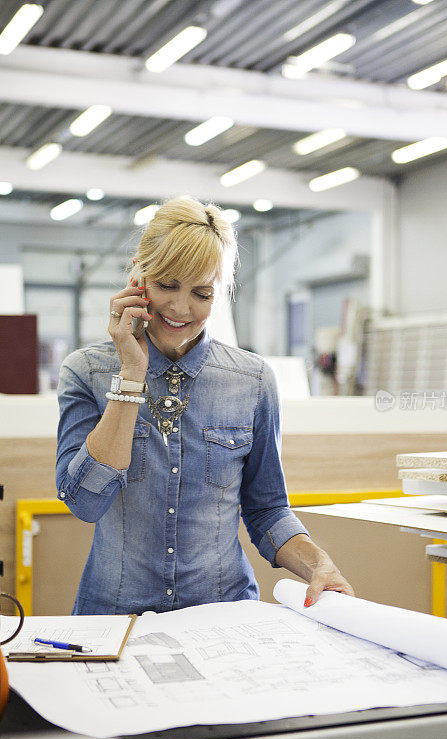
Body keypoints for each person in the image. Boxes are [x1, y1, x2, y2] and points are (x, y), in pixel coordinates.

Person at [56, 196, 355, 615]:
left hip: (223, 615)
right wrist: (131, 375)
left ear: (221, 292)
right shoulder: (86, 371)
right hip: (114, 615)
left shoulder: (253, 381)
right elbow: (84, 503)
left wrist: (318, 564)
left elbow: (267, 510)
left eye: (201, 293)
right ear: (138, 279)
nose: (180, 308)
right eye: (165, 286)